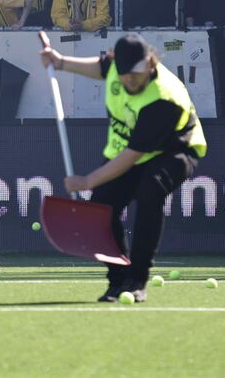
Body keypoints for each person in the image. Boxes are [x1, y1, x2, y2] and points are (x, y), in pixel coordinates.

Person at [38, 32, 207, 303]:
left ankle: (137, 279)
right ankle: (117, 280)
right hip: (127, 148)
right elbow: (100, 67)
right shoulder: (117, 67)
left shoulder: (164, 98)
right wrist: (60, 62)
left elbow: (133, 155)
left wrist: (88, 180)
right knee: (103, 207)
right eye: (125, 73)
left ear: (149, 64)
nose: (130, 79)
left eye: (136, 74)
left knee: (150, 193)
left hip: (174, 150)